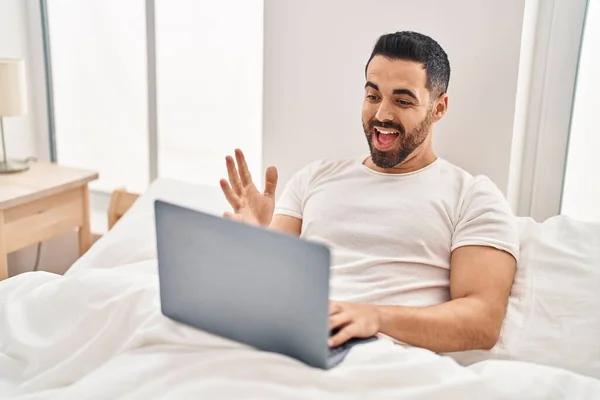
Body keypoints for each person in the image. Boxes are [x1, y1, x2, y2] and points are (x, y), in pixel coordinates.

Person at [219, 31, 518, 353]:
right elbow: (271, 288)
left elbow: (482, 322)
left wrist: (374, 317)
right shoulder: (315, 177)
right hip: (294, 342)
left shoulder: (473, 197)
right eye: (373, 96)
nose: (382, 115)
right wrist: (257, 242)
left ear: (439, 108)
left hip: (382, 355)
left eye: (402, 101)